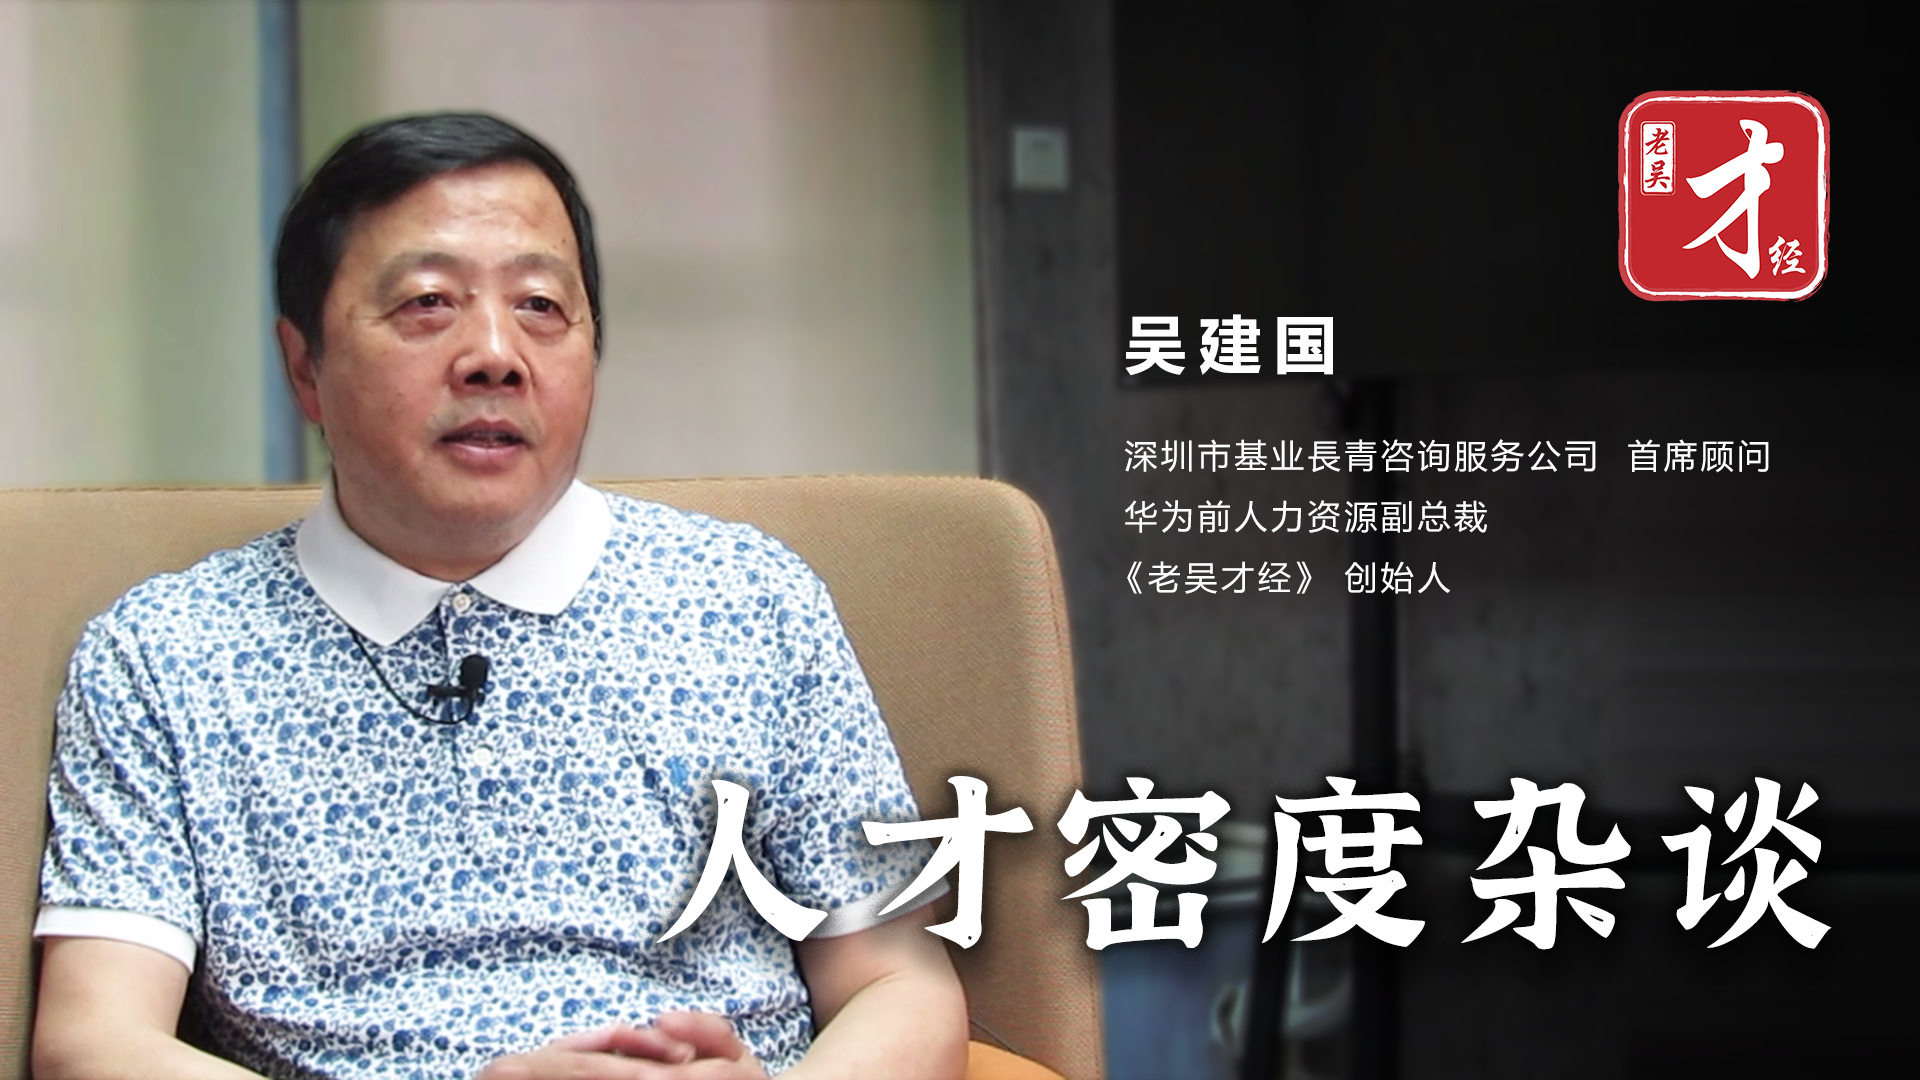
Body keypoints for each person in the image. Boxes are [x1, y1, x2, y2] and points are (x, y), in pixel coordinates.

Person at [31, 112, 968, 1080]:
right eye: (429, 303)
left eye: (541, 306)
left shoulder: (750, 601)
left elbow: (898, 982)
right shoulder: (166, 654)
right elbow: (91, 1041)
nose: (495, 354)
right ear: (305, 366)